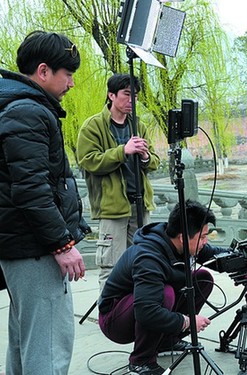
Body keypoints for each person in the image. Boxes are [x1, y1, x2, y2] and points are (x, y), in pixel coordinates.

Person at [0, 31, 90, 374]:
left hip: (21, 245)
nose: (70, 84)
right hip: (34, 246)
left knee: (26, 340)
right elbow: (31, 188)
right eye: (67, 75)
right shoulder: (27, 112)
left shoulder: (15, 105)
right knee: (49, 345)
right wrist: (63, 243)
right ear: (43, 71)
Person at [97, 200, 228, 374]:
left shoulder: (184, 243)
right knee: (165, 294)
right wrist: (187, 321)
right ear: (183, 237)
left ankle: (167, 341)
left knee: (203, 278)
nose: (205, 242)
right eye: (202, 237)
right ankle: (141, 361)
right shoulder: (148, 257)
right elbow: (147, 312)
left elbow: (221, 257)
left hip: (141, 307)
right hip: (114, 319)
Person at [77, 73, 160, 291]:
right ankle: (110, 314)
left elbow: (154, 161)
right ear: (111, 95)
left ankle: (135, 310)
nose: (132, 100)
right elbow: (88, 161)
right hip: (112, 207)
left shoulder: (137, 125)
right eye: (126, 94)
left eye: (135, 96)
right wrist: (122, 151)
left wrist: (145, 157)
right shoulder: (93, 126)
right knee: (111, 265)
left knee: (143, 262)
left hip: (140, 204)